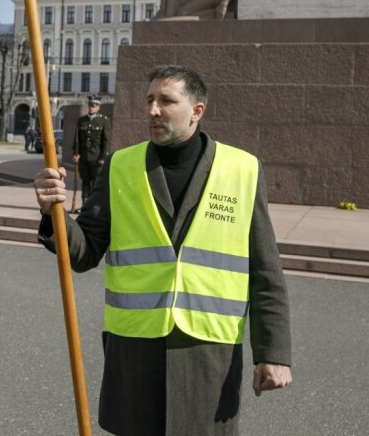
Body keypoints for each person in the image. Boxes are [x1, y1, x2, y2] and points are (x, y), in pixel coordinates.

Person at [33, 65, 292, 435]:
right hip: (135, 351)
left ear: (197, 111)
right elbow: (84, 252)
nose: (153, 110)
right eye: (150, 100)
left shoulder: (242, 169)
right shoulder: (121, 166)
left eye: (166, 101)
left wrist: (273, 353)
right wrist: (53, 214)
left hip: (208, 353)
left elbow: (266, 272)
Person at [71, 97, 110, 208]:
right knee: (85, 181)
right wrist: (76, 153)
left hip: (97, 158)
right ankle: (85, 205)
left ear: (98, 107)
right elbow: (77, 138)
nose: (91, 108)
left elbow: (106, 140)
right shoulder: (82, 120)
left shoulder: (104, 120)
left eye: (94, 106)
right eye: (90, 105)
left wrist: (103, 157)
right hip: (84, 157)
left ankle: (94, 206)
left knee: (96, 183)